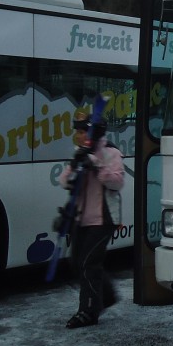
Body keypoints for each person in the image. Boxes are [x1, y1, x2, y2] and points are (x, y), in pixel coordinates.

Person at [59, 105, 124, 329]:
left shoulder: (111, 152)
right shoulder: (79, 152)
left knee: (89, 263)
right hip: (80, 218)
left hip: (103, 219)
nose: (79, 136)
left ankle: (88, 311)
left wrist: (96, 166)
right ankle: (105, 296)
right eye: (77, 132)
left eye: (82, 131)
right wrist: (75, 168)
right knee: (77, 262)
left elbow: (117, 182)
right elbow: (65, 182)